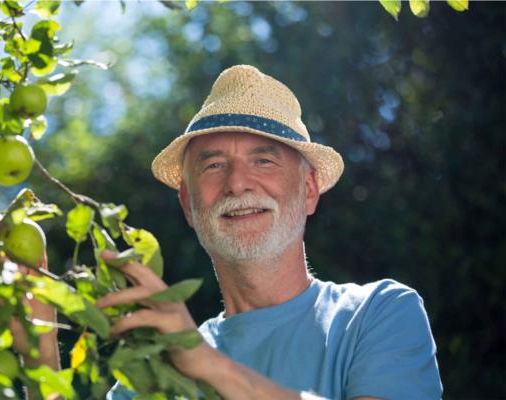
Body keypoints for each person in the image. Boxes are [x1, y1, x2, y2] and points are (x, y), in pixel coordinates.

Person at [102, 65, 442, 399]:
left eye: (264, 160)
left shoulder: (378, 313)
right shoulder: (153, 369)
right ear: (188, 202)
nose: (236, 183)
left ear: (309, 189)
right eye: (214, 165)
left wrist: (210, 367)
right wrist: (45, 322)